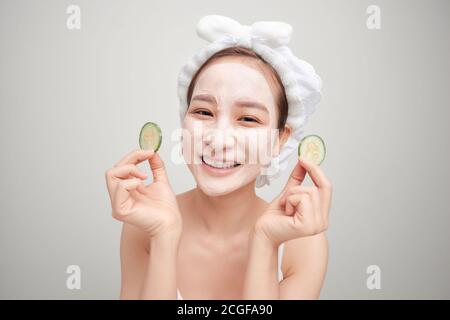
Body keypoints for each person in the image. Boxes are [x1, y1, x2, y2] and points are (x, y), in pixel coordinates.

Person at [105, 15, 332, 300]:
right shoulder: (146, 223)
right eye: (203, 112)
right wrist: (163, 235)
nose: (218, 139)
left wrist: (265, 242)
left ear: (280, 139)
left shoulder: (301, 242)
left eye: (248, 118)